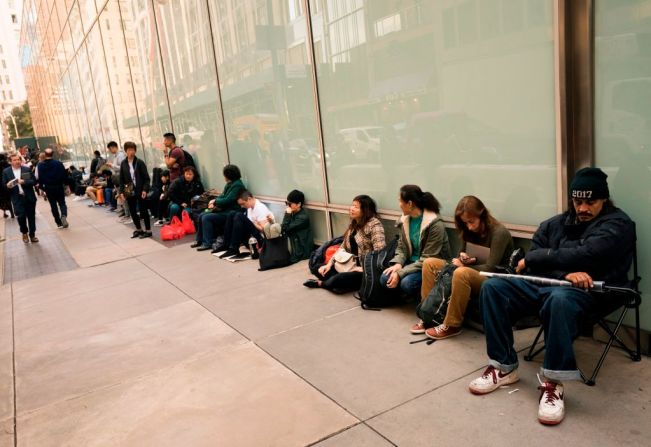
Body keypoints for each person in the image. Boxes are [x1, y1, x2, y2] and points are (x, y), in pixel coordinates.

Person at [469, 168, 635, 426]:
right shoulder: (552, 224)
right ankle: (503, 366)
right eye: (578, 201)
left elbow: (590, 256)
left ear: (604, 200)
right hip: (551, 284)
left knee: (559, 298)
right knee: (494, 287)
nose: (583, 208)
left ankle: (553, 383)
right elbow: (535, 267)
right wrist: (565, 270)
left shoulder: (618, 224)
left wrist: (540, 258)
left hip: (594, 292)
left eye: (591, 201)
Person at [410, 196, 513, 338]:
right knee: (430, 263)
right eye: (465, 223)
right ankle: (428, 315)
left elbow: (491, 267)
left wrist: (463, 264)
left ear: (482, 215)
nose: (469, 226)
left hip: (491, 277)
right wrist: (463, 257)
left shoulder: (499, 232)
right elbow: (461, 255)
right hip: (470, 268)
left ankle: (452, 324)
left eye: (472, 222)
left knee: (461, 273)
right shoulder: (468, 229)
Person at [304, 195, 385, 293]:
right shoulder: (354, 224)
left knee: (338, 278)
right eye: (352, 205)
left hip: (365, 271)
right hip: (348, 265)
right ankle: (337, 285)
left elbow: (380, 251)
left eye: (356, 207)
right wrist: (329, 264)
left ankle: (323, 284)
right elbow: (342, 247)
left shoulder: (374, 224)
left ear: (365, 210)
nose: (352, 209)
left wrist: (363, 268)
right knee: (317, 267)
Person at [381, 185, 451, 298]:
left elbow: (428, 259)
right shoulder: (405, 220)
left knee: (407, 283)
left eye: (400, 201)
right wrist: (398, 263)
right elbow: (401, 247)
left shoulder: (435, 224)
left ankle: (423, 297)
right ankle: (402, 295)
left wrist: (400, 273)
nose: (399, 204)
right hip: (411, 262)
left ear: (409, 204)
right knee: (384, 278)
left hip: (428, 266)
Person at [192, 164, 246, 251]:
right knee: (202, 214)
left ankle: (207, 243)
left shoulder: (237, 185)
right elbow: (222, 196)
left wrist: (215, 202)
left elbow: (228, 199)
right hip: (225, 210)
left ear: (228, 175)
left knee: (206, 217)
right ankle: (200, 240)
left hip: (230, 212)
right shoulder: (230, 184)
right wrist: (214, 201)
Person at [216, 190, 274, 259]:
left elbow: (264, 230)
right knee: (231, 214)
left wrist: (254, 224)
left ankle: (234, 249)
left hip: (260, 242)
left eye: (243, 204)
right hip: (251, 239)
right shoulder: (250, 208)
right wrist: (253, 223)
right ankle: (226, 245)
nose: (242, 206)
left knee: (239, 216)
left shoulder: (260, 208)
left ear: (249, 199)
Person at [2, 153, 38, 243]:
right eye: (14, 160)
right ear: (10, 162)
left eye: (18, 159)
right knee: (21, 217)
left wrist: (24, 181)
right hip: (17, 199)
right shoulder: (6, 172)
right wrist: (7, 186)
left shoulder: (26, 169)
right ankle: (24, 232)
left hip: (29, 197)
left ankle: (32, 235)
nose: (17, 161)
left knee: (31, 217)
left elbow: (33, 181)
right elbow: (4, 186)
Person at [119, 141, 152, 239]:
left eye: (133, 150)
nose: (131, 152)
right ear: (125, 151)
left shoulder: (140, 162)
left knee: (143, 210)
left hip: (140, 189)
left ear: (135, 150)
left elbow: (147, 178)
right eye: (129, 150)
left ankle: (148, 230)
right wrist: (121, 192)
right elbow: (121, 179)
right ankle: (139, 229)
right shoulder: (123, 163)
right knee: (132, 211)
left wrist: (145, 190)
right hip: (128, 189)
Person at [37, 147, 70, 229]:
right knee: (62, 202)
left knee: (53, 205)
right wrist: (67, 185)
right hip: (58, 186)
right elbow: (64, 175)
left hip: (48, 188)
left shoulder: (40, 165)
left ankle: (58, 223)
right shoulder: (58, 163)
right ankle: (63, 215)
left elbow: (40, 178)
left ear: (45, 154)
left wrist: (41, 188)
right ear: (53, 154)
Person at [281, 189, 313, 263]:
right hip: (295, 247)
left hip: (301, 252)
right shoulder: (294, 212)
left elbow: (284, 228)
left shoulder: (303, 217)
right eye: (286, 203)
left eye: (289, 204)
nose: (287, 206)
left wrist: (287, 214)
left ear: (298, 204)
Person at [0, 153, 14, 218]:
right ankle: (12, 213)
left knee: (3, 200)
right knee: (9, 199)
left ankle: (5, 212)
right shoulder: (7, 164)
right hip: (8, 183)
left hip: (1, 186)